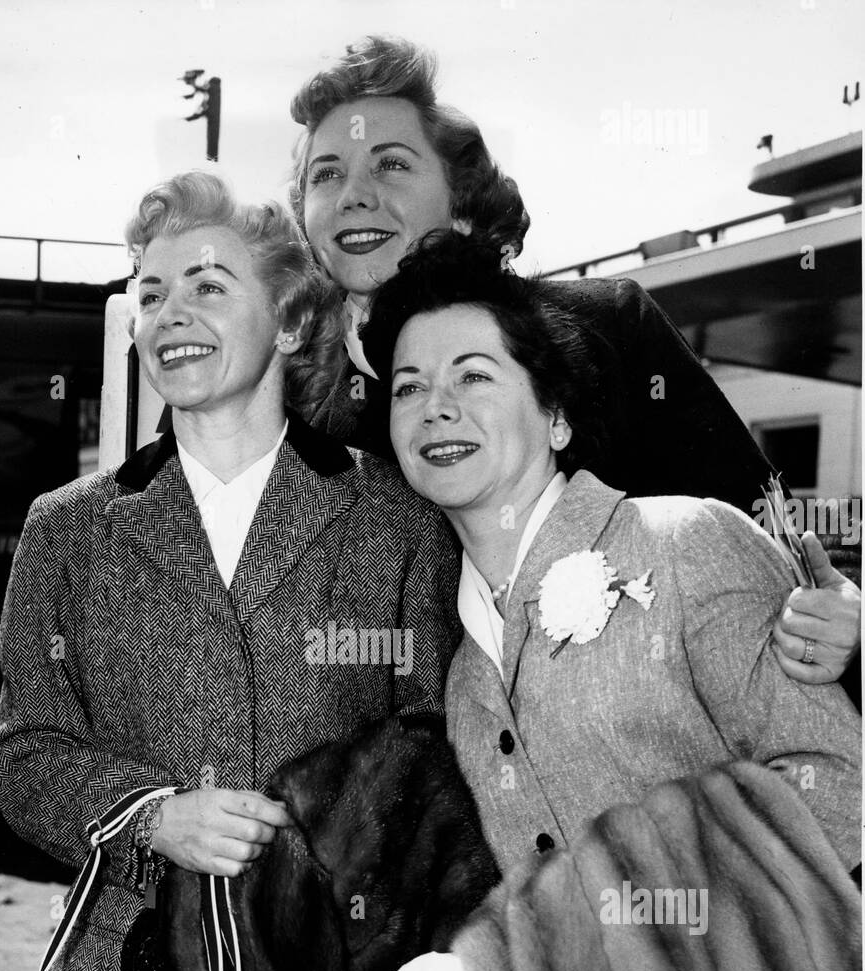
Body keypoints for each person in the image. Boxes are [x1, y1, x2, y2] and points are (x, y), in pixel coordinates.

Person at [362, 231, 861, 971]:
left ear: (554, 414)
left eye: (471, 375)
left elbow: (838, 793)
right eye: (408, 387)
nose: (435, 406)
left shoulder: (684, 546)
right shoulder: (455, 671)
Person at [0, 170, 460, 971]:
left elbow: (433, 751)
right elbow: (23, 755)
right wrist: (152, 816)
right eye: (153, 293)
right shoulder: (66, 529)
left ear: (286, 320)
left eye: (208, 285)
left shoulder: (397, 518)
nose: (171, 314)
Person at [289, 33, 861, 689]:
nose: (354, 195)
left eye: (391, 164)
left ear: (460, 198)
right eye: (326, 174)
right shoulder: (289, 410)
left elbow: (778, 550)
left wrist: (835, 623)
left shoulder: (610, 329)